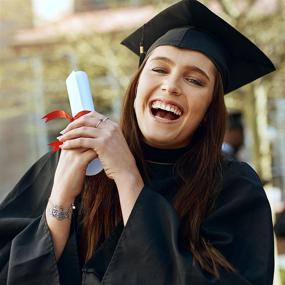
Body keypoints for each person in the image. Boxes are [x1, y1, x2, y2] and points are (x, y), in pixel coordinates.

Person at [0, 0, 275, 284]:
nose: (171, 85)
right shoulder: (74, 160)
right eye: (159, 69)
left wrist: (127, 177)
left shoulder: (232, 187)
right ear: (136, 85)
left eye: (194, 80)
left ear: (209, 110)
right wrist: (59, 200)